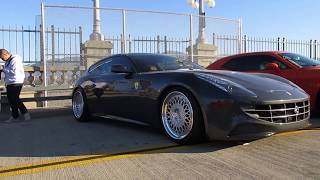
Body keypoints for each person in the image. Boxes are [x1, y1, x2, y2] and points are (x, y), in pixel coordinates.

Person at [0, 49, 31, 122]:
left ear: (5, 54)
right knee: (12, 99)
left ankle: (21, 115)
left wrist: (3, 68)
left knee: (14, 99)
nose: (1, 59)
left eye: (1, 57)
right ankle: (18, 115)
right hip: (10, 82)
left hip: (16, 82)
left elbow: (14, 72)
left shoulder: (15, 60)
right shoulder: (8, 61)